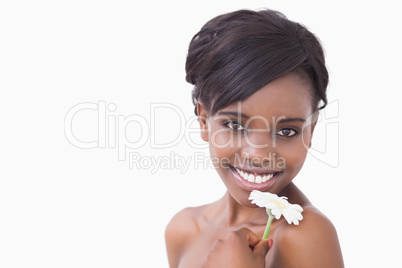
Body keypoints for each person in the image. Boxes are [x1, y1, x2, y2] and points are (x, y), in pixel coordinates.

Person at [165, 8, 344, 268]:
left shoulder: (305, 236)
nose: (258, 155)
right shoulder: (182, 230)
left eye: (286, 131)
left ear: (311, 131)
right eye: (235, 125)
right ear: (204, 121)